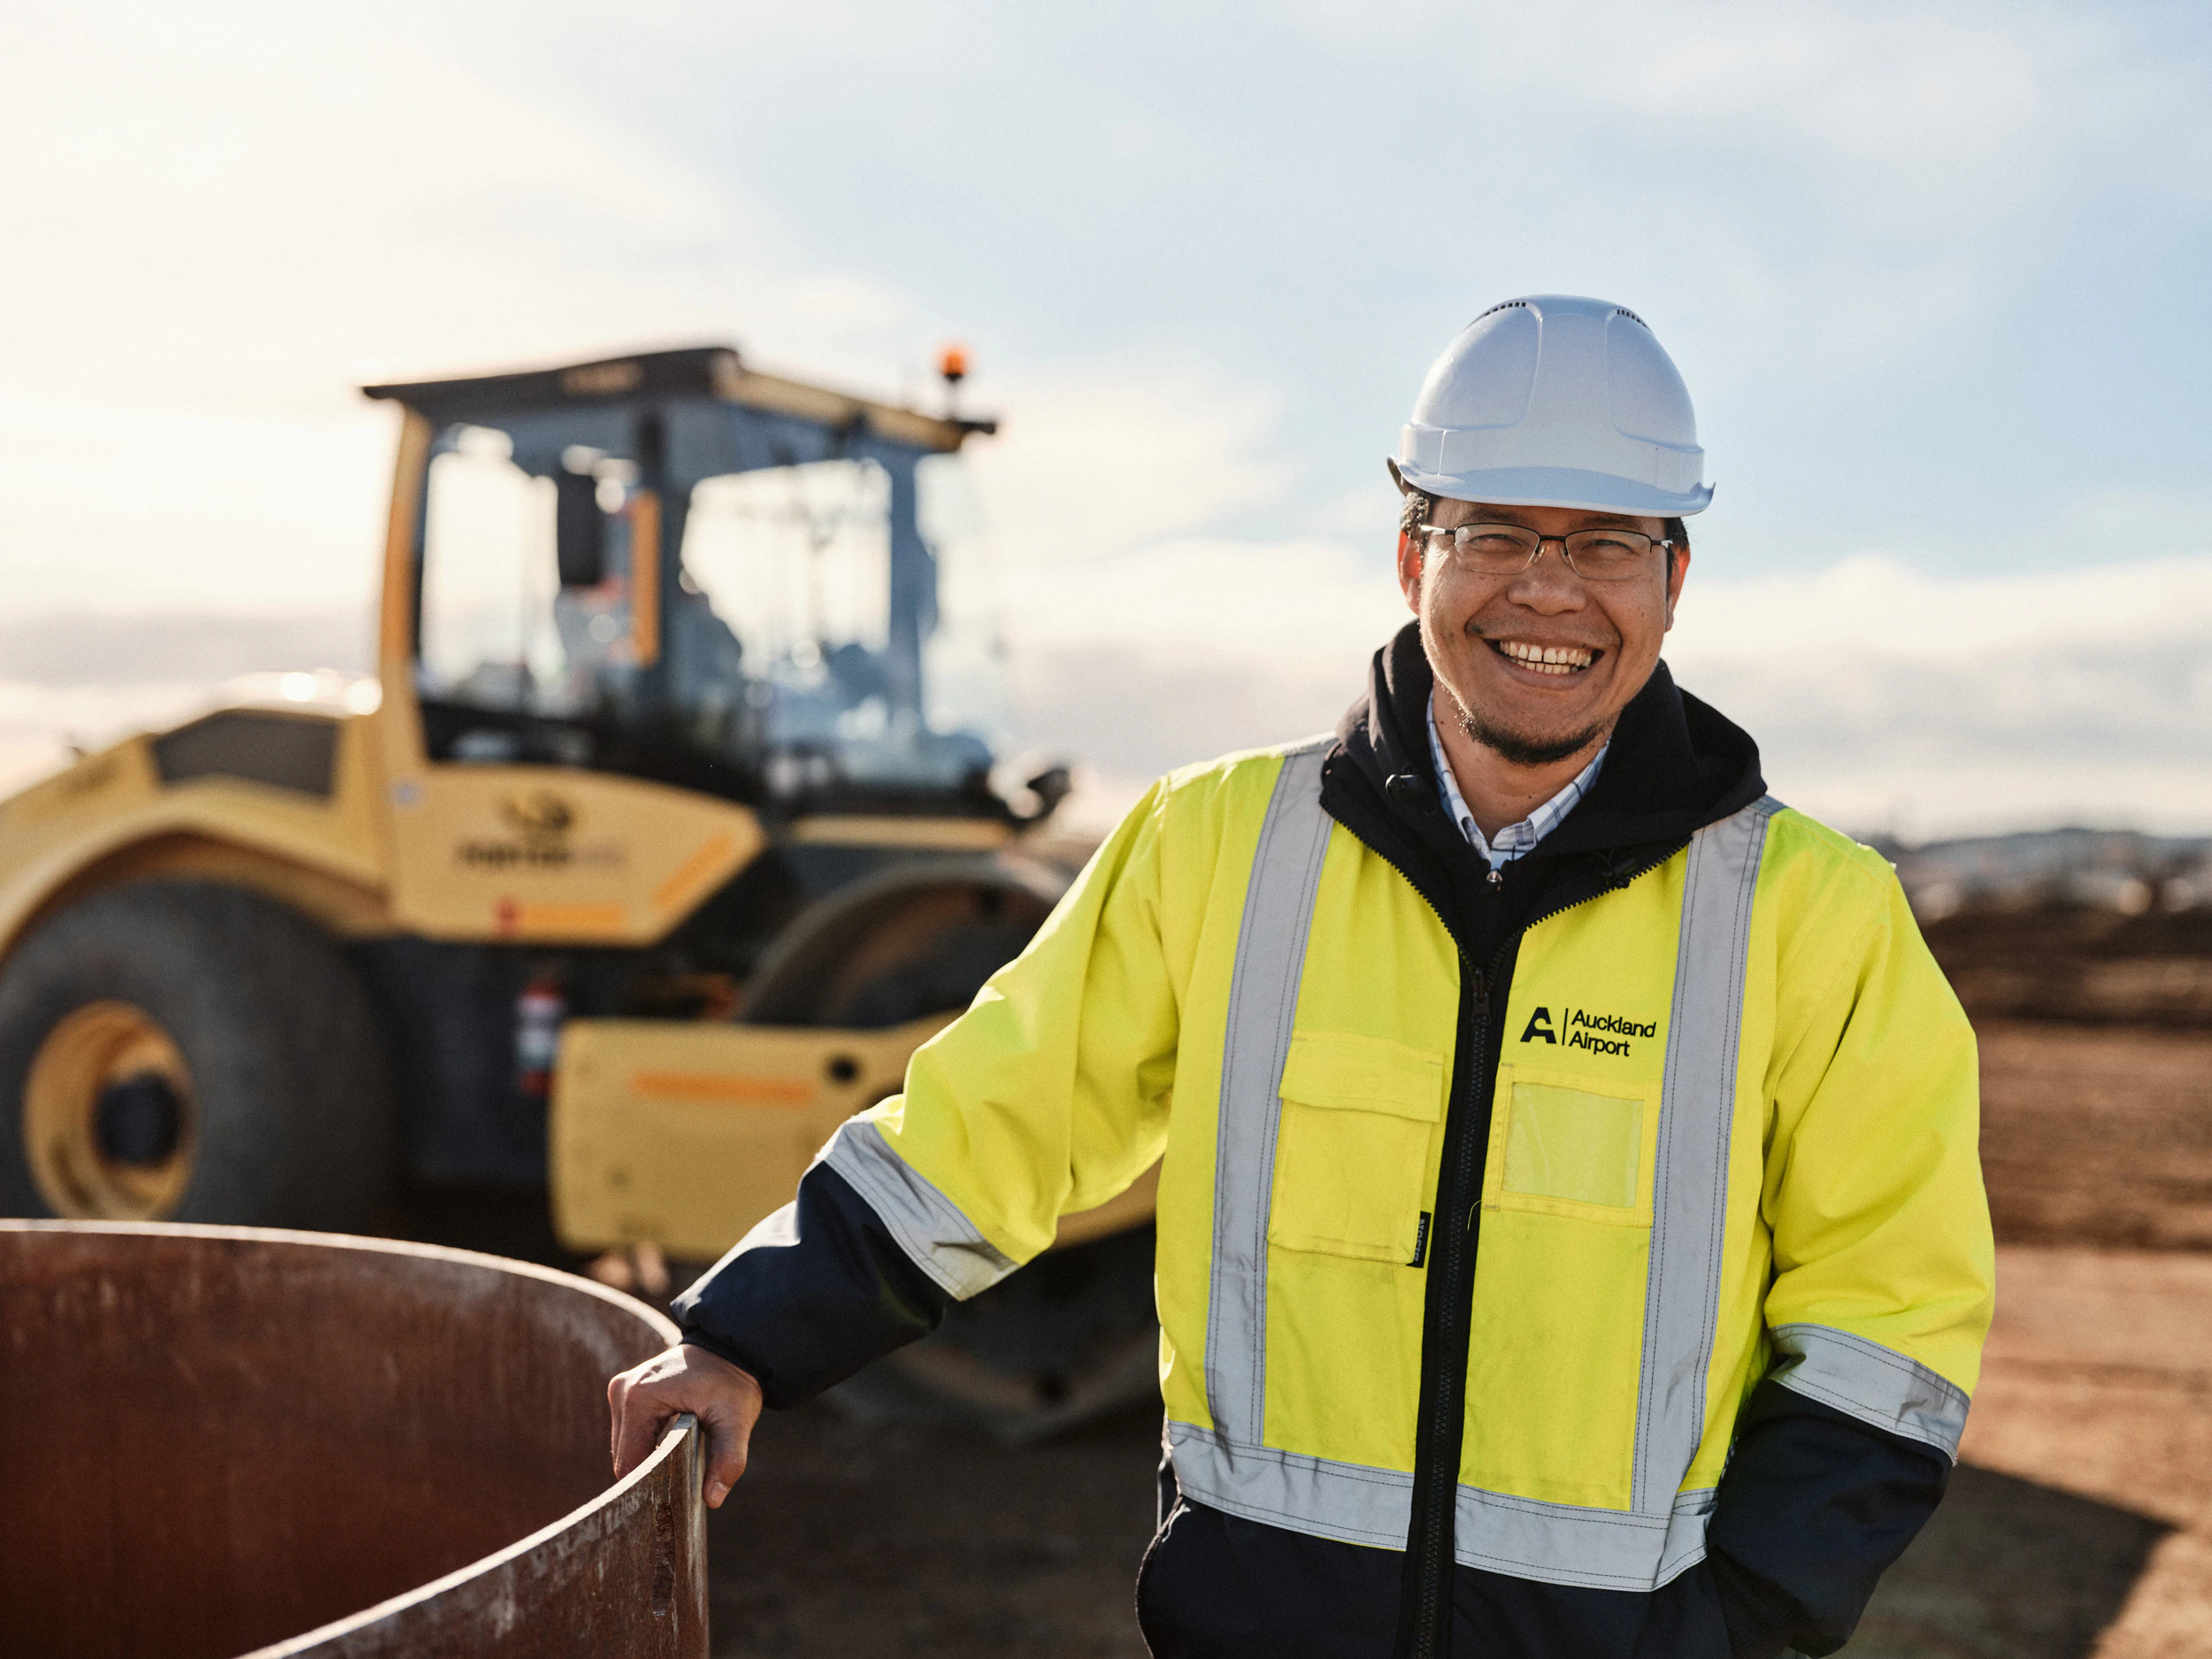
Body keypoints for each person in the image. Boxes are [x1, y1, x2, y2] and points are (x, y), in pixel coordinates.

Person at [608, 294, 1994, 1658]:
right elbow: (990, 1124)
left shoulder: (1820, 917)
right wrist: (744, 1337)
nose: (1548, 590)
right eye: (1493, 531)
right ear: (1411, 557)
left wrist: (1748, 1623)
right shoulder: (1215, 845)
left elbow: (1892, 1311)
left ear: (1673, 581)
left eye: (1607, 543)